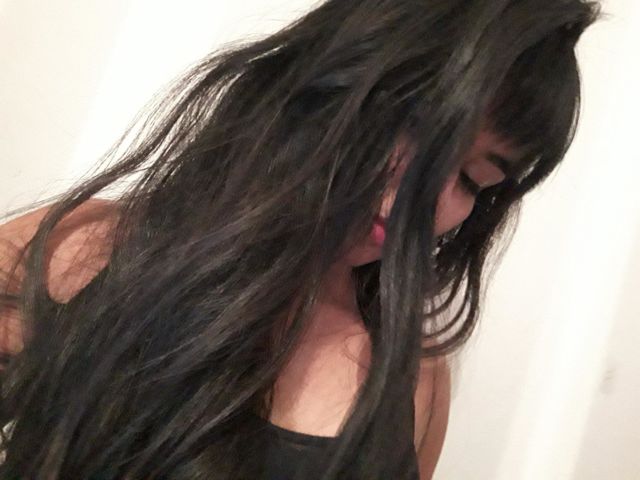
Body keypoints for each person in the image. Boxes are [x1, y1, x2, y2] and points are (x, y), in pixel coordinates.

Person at [0, 1, 600, 479]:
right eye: (420, 129)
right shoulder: (80, 251)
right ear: (329, 79)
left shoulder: (414, 383)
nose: (433, 197)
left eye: (473, 179)